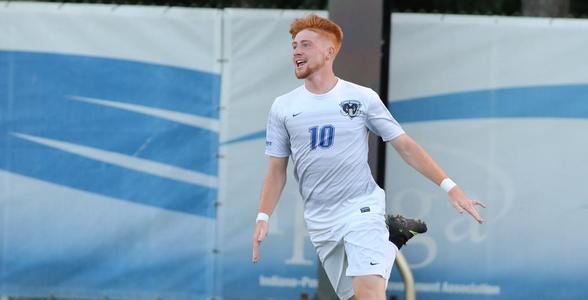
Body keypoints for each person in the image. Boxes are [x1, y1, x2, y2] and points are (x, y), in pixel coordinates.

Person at [252, 14, 485, 300]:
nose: (297, 51)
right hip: (320, 220)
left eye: (306, 44)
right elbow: (276, 170)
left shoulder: (361, 98)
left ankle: (386, 237)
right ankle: (391, 240)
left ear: (329, 52)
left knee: (371, 297)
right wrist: (263, 216)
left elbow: (405, 146)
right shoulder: (282, 107)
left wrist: (451, 187)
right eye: (294, 45)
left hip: (360, 209)